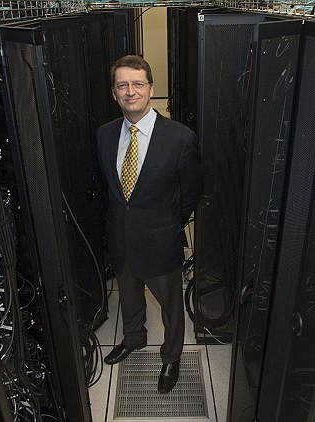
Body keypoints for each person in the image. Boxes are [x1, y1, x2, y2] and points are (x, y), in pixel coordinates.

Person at [97, 55, 202, 394]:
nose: (130, 91)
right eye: (122, 85)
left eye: (137, 84)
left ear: (151, 89)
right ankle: (133, 338)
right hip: (121, 237)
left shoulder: (181, 138)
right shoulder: (105, 134)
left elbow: (191, 193)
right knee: (129, 295)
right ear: (114, 93)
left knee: (170, 304)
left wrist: (169, 223)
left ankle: (171, 356)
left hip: (160, 239)